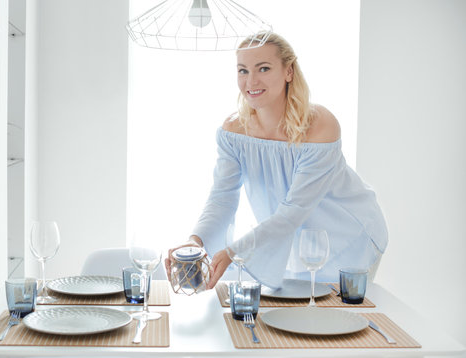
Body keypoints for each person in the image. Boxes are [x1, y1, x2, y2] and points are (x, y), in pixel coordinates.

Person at [165, 32, 388, 290]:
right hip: (295, 244)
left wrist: (233, 251)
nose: (251, 81)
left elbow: (292, 211)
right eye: (243, 70)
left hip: (349, 237)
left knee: (335, 321)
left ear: (289, 72)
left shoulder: (320, 125)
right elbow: (221, 199)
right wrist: (196, 240)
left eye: (264, 68)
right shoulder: (234, 132)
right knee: (295, 323)